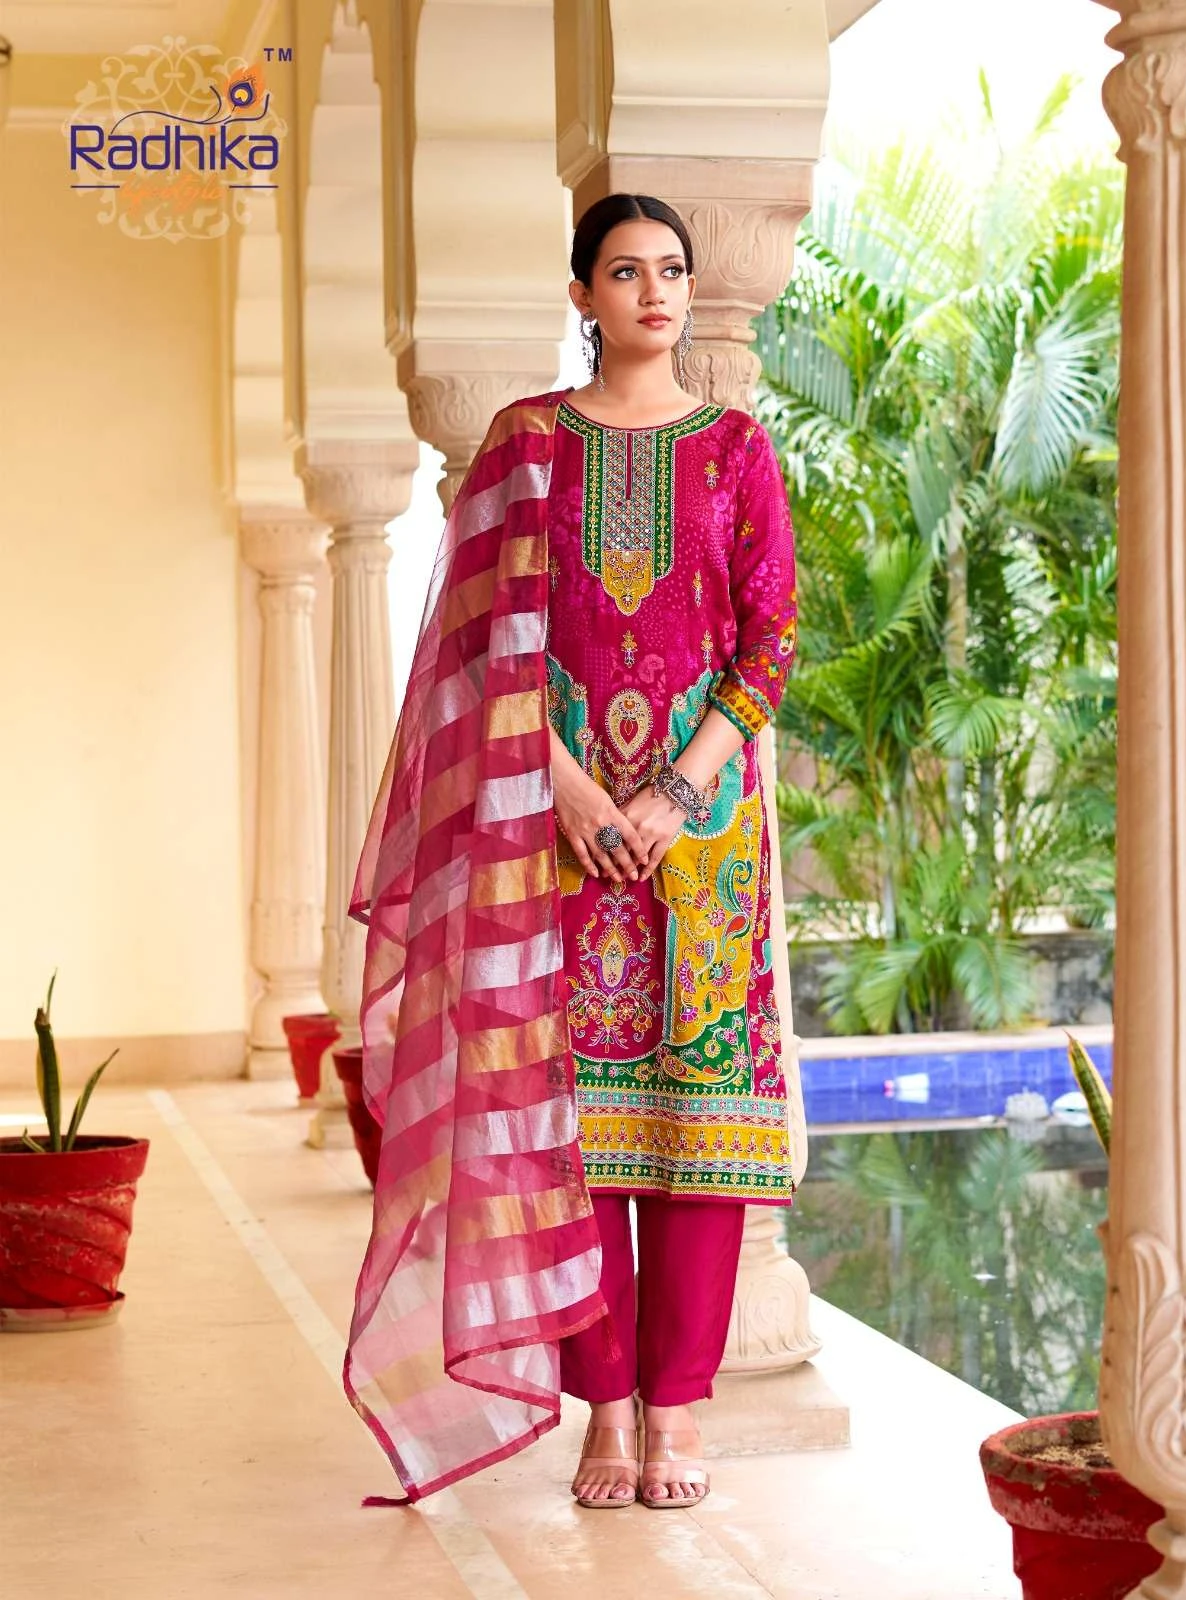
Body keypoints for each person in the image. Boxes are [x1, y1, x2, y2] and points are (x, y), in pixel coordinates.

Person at [342, 193, 798, 1515]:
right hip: (552, 837)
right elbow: (477, 646)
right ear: (582, 293)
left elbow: (768, 639)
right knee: (575, 1133)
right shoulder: (525, 443)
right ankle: (605, 1410)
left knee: (702, 1129)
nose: (655, 291)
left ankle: (680, 1409)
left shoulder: (735, 450)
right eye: (626, 271)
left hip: (702, 851)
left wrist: (675, 798)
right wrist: (574, 796)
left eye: (673, 270)